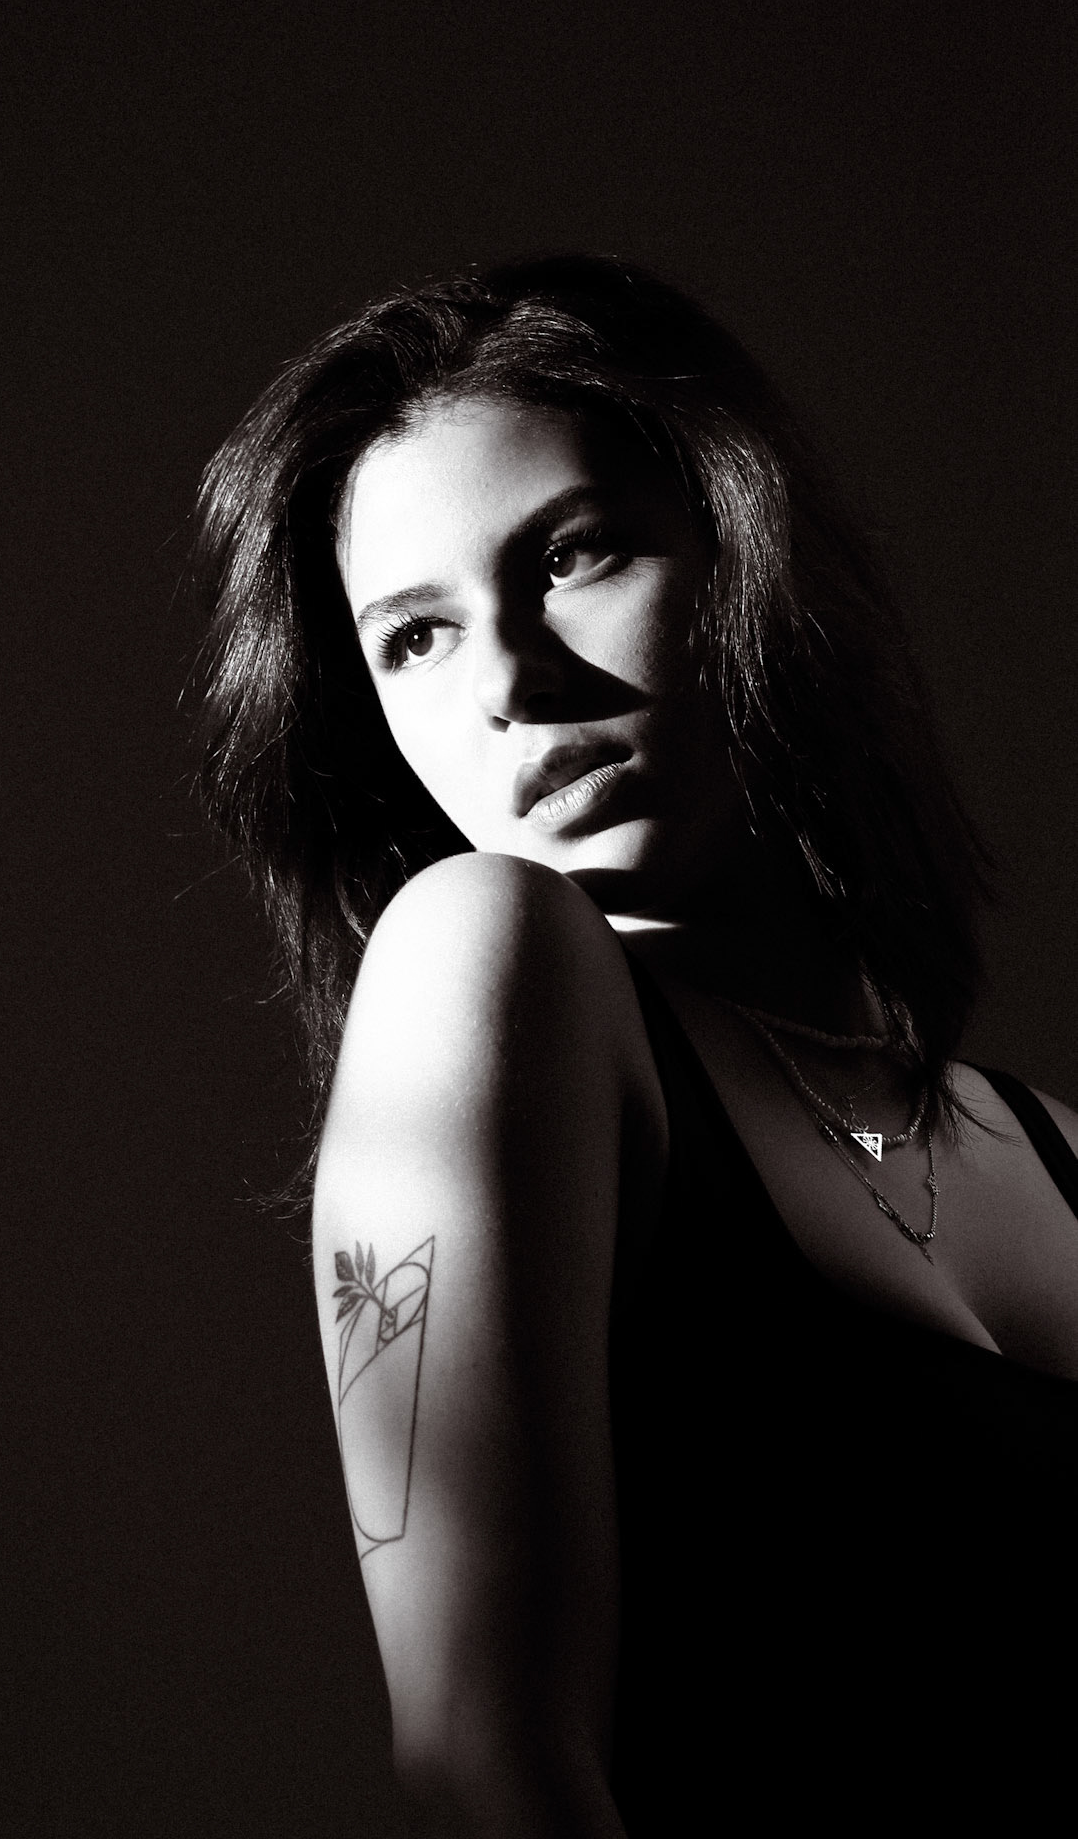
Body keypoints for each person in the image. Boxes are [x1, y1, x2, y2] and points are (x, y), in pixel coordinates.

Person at [193, 257, 1078, 1837]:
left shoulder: (1059, 1152)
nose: (511, 684)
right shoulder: (484, 951)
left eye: (571, 555)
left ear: (749, 553)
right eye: (415, 638)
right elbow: (488, 1762)